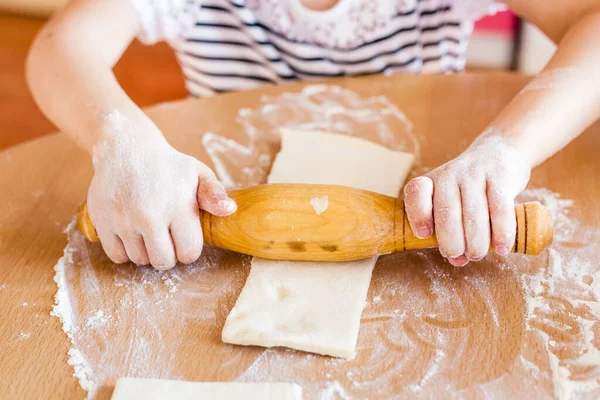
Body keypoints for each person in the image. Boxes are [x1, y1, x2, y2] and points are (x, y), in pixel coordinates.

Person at [26, 0, 600, 269]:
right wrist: (122, 141)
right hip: (221, 199)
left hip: (419, 186)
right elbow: (61, 47)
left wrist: (509, 148)